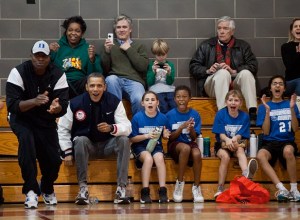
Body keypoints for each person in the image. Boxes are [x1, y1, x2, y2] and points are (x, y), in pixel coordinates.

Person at [5, 40, 69, 209]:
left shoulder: (58, 74)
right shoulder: (18, 72)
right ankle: (31, 191)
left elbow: (63, 104)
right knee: (27, 145)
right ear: (31, 56)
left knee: (54, 159)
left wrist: (57, 109)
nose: (40, 59)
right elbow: (12, 105)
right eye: (37, 55)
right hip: (21, 118)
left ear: (49, 58)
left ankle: (47, 187)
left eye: (44, 56)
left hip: (45, 119)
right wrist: (34, 101)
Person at [57, 73, 132, 205]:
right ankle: (83, 189)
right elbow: (63, 128)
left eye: (99, 86)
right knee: (80, 139)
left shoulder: (114, 101)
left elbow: (127, 127)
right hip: (87, 146)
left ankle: (121, 189)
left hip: (108, 145)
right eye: (92, 86)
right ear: (86, 87)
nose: (95, 89)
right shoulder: (75, 103)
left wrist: (111, 128)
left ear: (105, 87)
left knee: (124, 140)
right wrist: (67, 151)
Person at [189, 16, 258, 126]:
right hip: (212, 85)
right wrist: (208, 70)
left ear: (232, 31)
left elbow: (253, 66)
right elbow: (193, 66)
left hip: (235, 85)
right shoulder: (206, 45)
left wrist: (234, 71)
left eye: (225, 28)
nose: (221, 31)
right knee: (222, 73)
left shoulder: (243, 46)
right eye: (219, 28)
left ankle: (252, 113)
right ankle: (223, 114)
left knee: (246, 73)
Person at [256, 75, 300, 202]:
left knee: (288, 151)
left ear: (284, 88)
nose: (277, 86)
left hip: (287, 141)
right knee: (260, 155)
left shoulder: (290, 104)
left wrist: (291, 109)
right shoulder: (263, 107)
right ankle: (282, 189)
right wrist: (268, 111)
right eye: (274, 83)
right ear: (270, 87)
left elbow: (295, 129)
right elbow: (265, 131)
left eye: (280, 84)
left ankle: (294, 189)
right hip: (270, 142)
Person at [212, 90, 258, 198]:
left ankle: (246, 174)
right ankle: (220, 188)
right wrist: (228, 140)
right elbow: (221, 135)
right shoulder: (220, 114)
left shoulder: (245, 116)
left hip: (236, 142)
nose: (233, 103)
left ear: (241, 103)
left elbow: (241, 135)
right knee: (225, 157)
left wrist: (235, 139)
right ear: (226, 102)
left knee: (241, 150)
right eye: (230, 100)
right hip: (222, 142)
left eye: (236, 100)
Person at [101, 14, 148, 115]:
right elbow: (105, 70)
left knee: (139, 98)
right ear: (115, 30)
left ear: (130, 29)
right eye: (118, 27)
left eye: (124, 27)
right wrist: (107, 52)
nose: (121, 30)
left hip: (134, 82)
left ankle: (136, 126)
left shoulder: (139, 46)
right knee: (110, 79)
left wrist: (129, 49)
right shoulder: (109, 45)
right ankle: (117, 122)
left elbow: (142, 67)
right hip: (115, 81)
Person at [129, 91, 171, 204]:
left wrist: (166, 135)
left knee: (159, 159)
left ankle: (162, 191)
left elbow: (165, 134)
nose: (150, 102)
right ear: (142, 103)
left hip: (156, 146)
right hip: (140, 147)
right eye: (147, 100)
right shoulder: (137, 117)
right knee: (148, 159)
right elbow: (132, 139)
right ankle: (145, 191)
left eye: (153, 99)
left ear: (157, 102)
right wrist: (146, 135)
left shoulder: (163, 118)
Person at [166, 85, 204, 203]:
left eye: (184, 96)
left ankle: (196, 187)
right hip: (175, 145)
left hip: (189, 142)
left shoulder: (195, 114)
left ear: (189, 98)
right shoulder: (170, 115)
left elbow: (194, 138)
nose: (181, 99)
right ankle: (179, 183)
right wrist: (181, 127)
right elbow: (170, 137)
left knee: (197, 154)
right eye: (178, 97)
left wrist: (191, 129)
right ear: (174, 99)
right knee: (185, 148)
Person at [50, 15, 102, 99]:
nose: (73, 33)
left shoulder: (87, 48)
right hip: (62, 83)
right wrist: (49, 52)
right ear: (66, 31)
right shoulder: (57, 47)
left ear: (82, 33)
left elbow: (96, 74)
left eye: (77, 31)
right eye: (70, 30)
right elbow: (49, 69)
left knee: (89, 81)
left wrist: (92, 59)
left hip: (80, 84)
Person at [147, 39, 176, 114]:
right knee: (163, 107)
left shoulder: (170, 65)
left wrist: (169, 73)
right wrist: (153, 72)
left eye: (163, 54)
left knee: (173, 105)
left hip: (169, 90)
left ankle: (172, 122)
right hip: (156, 91)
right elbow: (149, 82)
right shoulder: (151, 65)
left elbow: (170, 82)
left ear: (167, 53)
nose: (161, 57)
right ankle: (164, 123)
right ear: (154, 54)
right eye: (158, 55)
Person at [281, 18, 300, 112]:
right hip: (290, 82)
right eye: (295, 26)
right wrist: (298, 54)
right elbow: (290, 67)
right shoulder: (286, 47)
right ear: (292, 31)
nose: (298, 28)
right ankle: (298, 113)